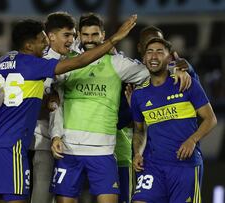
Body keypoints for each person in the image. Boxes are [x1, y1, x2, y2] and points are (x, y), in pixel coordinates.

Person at [0, 15, 137, 203]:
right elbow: (79, 62)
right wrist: (114, 39)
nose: (45, 45)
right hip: (15, 144)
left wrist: (47, 96)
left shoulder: (6, 59)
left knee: (6, 197)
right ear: (30, 45)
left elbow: (8, 95)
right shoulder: (36, 64)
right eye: (42, 41)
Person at [49, 13, 193, 203]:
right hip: (69, 148)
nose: (90, 39)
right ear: (79, 36)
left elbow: (152, 70)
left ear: (103, 35)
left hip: (104, 150)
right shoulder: (67, 63)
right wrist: (56, 135)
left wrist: (180, 69)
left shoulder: (118, 63)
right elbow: (56, 103)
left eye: (95, 34)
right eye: (85, 35)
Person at [131, 37, 217, 203]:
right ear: (144, 59)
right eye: (149, 52)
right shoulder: (138, 95)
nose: (153, 56)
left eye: (159, 52)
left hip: (185, 166)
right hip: (153, 165)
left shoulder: (186, 83)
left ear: (169, 58)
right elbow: (139, 130)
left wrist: (192, 141)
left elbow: (210, 119)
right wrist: (137, 154)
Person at [29, 12, 76, 203]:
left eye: (73, 35)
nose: (71, 40)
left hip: (66, 141)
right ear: (51, 36)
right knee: (41, 195)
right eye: (67, 35)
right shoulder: (42, 62)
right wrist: (47, 97)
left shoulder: (73, 59)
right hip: (42, 141)